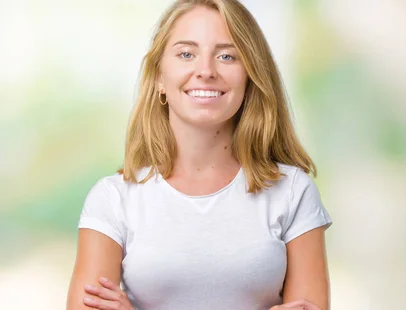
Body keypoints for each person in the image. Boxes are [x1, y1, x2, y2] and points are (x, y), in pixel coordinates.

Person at [66, 0, 333, 309]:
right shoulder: (113, 199)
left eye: (226, 56)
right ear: (159, 78)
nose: (205, 71)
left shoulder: (293, 192)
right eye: (186, 54)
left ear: (250, 77)